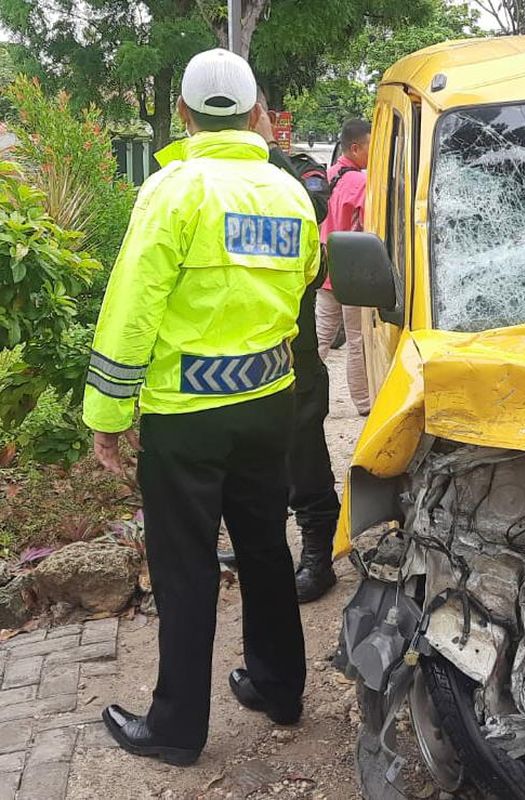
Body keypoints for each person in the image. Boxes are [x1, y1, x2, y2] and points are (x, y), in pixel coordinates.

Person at [84, 48, 320, 765]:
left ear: (184, 115)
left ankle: (177, 729)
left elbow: (132, 308)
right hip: (266, 407)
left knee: (184, 568)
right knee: (265, 550)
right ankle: (279, 687)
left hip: (186, 416)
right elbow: (306, 279)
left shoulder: (171, 191)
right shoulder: (289, 194)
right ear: (257, 115)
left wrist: (106, 412)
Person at [216, 91, 340, 602]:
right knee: (245, 452)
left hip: (294, 341)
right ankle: (261, 544)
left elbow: (313, 207)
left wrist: (267, 146)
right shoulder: (214, 175)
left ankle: (318, 553)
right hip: (233, 338)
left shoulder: (301, 169)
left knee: (301, 446)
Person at [315, 118, 372, 417]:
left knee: (320, 338)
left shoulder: (326, 176)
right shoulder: (361, 183)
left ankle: (302, 394)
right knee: (356, 340)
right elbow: (370, 226)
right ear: (355, 147)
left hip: (325, 269)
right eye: (369, 147)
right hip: (352, 274)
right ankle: (363, 403)